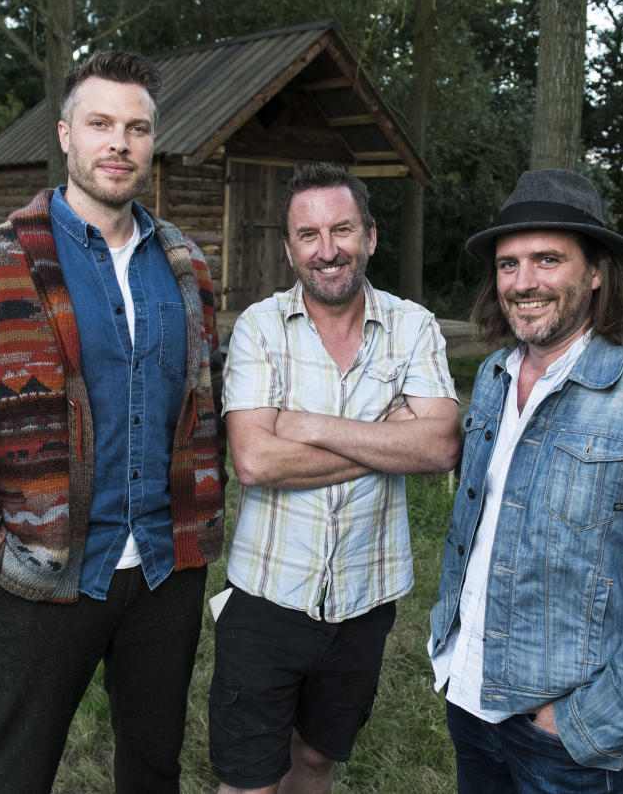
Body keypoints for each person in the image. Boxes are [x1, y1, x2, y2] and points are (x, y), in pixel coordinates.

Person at [0, 50, 225, 794]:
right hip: (43, 573)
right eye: (101, 123)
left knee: (153, 767)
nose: (119, 142)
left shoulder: (186, 265)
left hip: (165, 568)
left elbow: (202, 410)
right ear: (65, 135)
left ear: (154, 142)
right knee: (14, 773)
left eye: (137, 127)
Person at [428, 168, 623, 793]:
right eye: (508, 264)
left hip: (564, 742)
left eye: (548, 260)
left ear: (596, 271)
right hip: (469, 700)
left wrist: (581, 724)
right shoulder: (494, 374)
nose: (524, 283)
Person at [211, 162, 462, 793]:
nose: (328, 250)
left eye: (341, 229)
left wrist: (305, 424)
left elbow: (440, 447)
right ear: (289, 247)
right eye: (309, 235)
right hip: (268, 596)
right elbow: (256, 462)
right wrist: (387, 439)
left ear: (370, 236)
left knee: (317, 760)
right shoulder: (260, 328)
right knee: (249, 781)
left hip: (365, 598)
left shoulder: (413, 326)